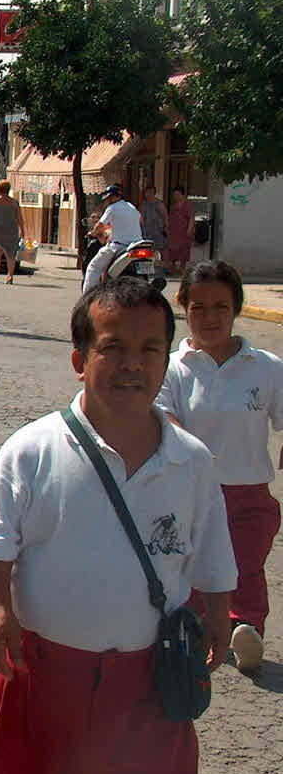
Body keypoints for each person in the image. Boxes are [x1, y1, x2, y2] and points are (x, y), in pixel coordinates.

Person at [0, 278, 235, 774]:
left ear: (168, 360)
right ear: (79, 359)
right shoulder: (32, 450)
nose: (131, 365)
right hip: (39, 681)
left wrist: (218, 613)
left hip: (148, 688)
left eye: (149, 350)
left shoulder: (190, 462)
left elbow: (211, 550)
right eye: (112, 347)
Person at [157, 260, 282, 674]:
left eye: (220, 307)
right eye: (199, 307)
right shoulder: (173, 368)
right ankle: (194, 635)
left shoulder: (266, 367)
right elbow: (163, 417)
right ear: (183, 308)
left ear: (237, 309)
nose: (209, 318)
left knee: (245, 568)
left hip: (249, 495)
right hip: (190, 493)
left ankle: (246, 632)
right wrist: (193, 451)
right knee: (193, 570)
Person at [81, 184, 143, 292]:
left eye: (110, 197)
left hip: (119, 246)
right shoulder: (131, 206)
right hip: (137, 245)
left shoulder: (112, 208)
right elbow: (141, 220)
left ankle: (88, 296)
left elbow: (99, 225)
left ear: (116, 197)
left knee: (94, 267)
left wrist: (93, 233)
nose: (108, 200)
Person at [0, 180, 24, 285]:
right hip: (11, 232)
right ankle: (10, 276)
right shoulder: (14, 202)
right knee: (11, 256)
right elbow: (20, 218)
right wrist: (23, 230)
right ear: (8, 189)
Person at [166, 186, 195, 275]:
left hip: (184, 230)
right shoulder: (173, 205)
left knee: (184, 249)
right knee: (172, 249)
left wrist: (189, 229)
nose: (176, 197)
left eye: (178, 194)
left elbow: (191, 218)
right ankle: (173, 267)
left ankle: (182, 268)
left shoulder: (188, 204)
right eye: (174, 195)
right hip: (174, 231)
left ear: (182, 194)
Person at [140, 185, 168, 267]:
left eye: (151, 193)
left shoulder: (159, 204)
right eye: (147, 192)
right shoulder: (143, 204)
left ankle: (162, 265)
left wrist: (166, 227)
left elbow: (165, 216)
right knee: (147, 248)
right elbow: (140, 216)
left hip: (157, 230)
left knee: (159, 248)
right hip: (146, 231)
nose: (149, 194)